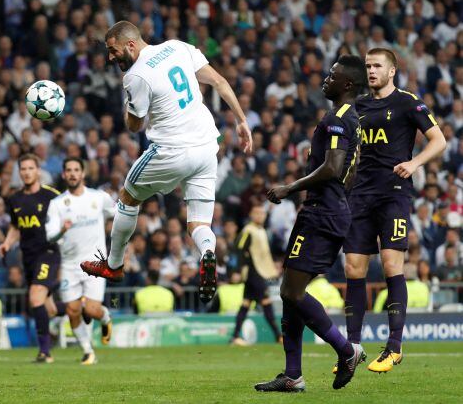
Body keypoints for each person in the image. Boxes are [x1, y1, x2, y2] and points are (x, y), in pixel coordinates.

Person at [79, 21, 252, 304]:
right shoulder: (177, 47)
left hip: (171, 151)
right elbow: (219, 81)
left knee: (127, 198)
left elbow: (134, 126)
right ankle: (208, 252)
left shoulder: (136, 76)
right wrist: (242, 120)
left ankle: (114, 264)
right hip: (208, 147)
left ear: (131, 45)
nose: (111, 57)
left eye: (114, 51)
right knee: (197, 222)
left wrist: (128, 106)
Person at [255, 56, 366, 392]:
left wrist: (290, 187)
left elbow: (333, 168)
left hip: (322, 212)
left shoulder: (337, 119)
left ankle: (347, 351)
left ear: (347, 84)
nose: (325, 78)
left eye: (332, 75)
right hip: (324, 209)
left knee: (291, 290)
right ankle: (292, 375)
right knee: (290, 292)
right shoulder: (351, 120)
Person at [340, 48, 446, 373]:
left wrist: (414, 163)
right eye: (368, 66)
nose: (371, 71)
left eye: (377, 66)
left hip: (394, 195)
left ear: (392, 71)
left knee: (390, 263)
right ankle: (352, 348)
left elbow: (438, 140)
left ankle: (394, 347)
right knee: (354, 268)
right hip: (360, 196)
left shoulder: (406, 102)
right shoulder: (356, 107)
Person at [46, 157, 115, 365]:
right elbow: (50, 236)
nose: (73, 173)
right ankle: (88, 351)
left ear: (83, 174)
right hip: (69, 265)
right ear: (64, 175)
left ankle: (104, 318)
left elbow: (119, 213)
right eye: (69, 170)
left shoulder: (98, 197)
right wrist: (62, 230)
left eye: (77, 169)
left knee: (91, 310)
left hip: (96, 263)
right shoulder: (57, 204)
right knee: (72, 311)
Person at [0, 153, 61, 364]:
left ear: (38, 171)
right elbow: (16, 226)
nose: (26, 172)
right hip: (29, 257)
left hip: (49, 254)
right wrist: (7, 243)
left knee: (35, 298)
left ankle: (45, 352)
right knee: (49, 309)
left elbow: (67, 220)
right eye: (23, 169)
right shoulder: (15, 199)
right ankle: (79, 306)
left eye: (30, 168)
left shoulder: (52, 196)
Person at [231, 205, 282, 345]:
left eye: (262, 213)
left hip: (259, 271)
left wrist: (271, 268)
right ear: (252, 215)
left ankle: (235, 336)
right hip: (253, 272)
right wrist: (237, 270)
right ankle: (278, 336)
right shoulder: (248, 230)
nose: (260, 216)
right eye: (257, 213)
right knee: (266, 301)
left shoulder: (261, 231)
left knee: (246, 303)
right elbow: (239, 249)